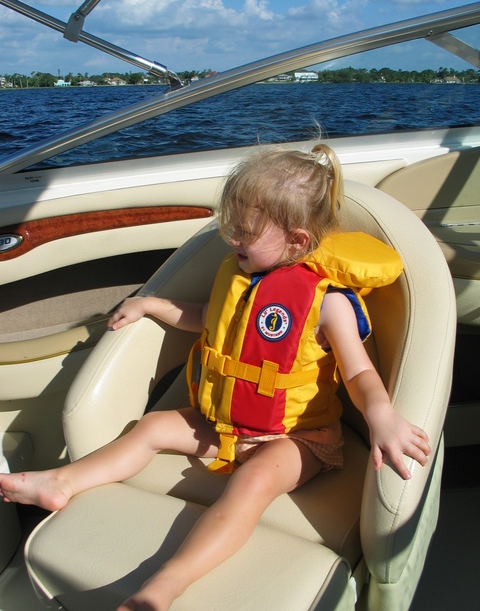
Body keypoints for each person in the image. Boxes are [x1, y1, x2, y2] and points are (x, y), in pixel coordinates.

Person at [0, 144, 431, 611]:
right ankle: (60, 482)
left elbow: (360, 372)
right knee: (150, 427)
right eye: (230, 227)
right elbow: (209, 317)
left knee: (251, 484)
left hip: (299, 439)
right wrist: (152, 305)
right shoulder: (241, 276)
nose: (232, 240)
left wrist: (382, 415)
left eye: (245, 232)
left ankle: (163, 587)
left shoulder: (330, 303)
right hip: (227, 426)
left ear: (298, 241)